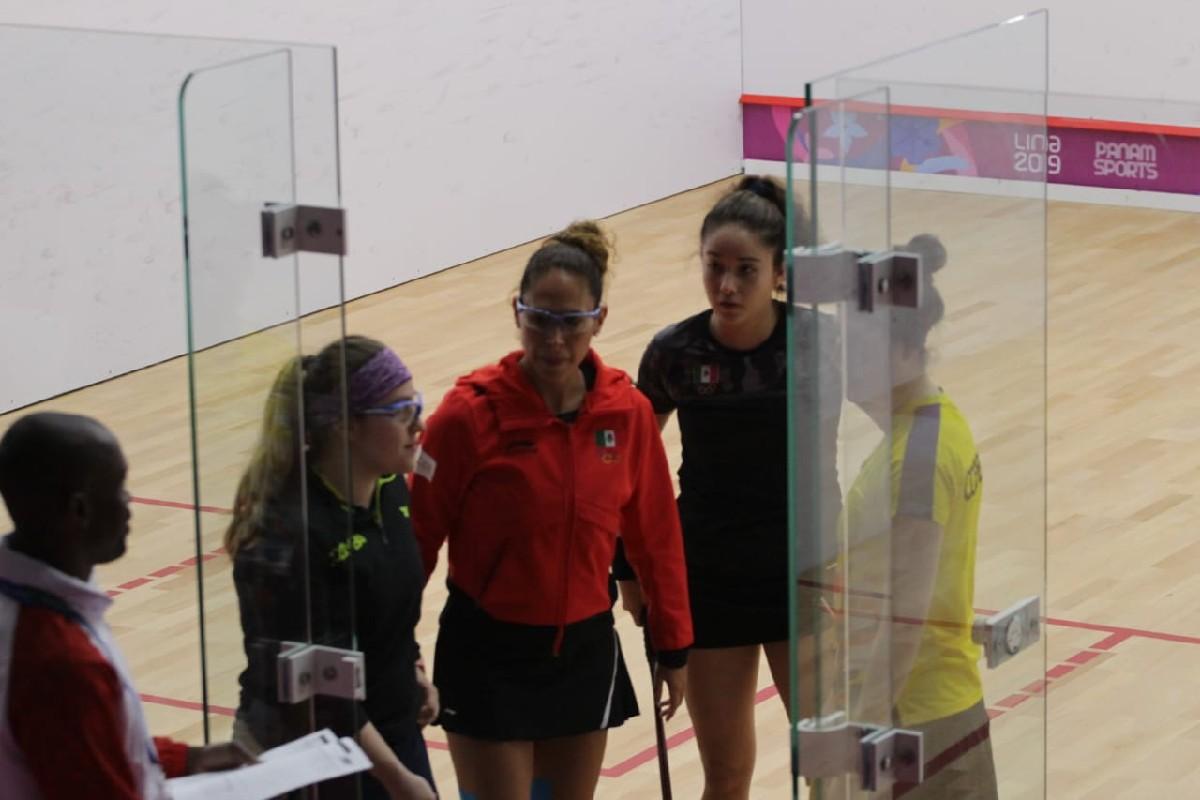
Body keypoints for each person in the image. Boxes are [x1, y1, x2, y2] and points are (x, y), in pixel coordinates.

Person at [411, 220, 693, 800]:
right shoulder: (465, 417)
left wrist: (673, 643)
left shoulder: (627, 414)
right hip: (486, 654)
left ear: (599, 319)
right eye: (539, 319)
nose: (554, 340)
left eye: (571, 322)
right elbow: (414, 541)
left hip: (582, 654)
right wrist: (393, 650)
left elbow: (655, 537)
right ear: (517, 312)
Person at [622, 175, 841, 799]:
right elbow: (628, 470)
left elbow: (881, 432)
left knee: (829, 767)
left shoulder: (819, 342)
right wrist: (630, 574)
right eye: (715, 267)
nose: (726, 285)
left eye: (746, 270)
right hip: (708, 578)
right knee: (726, 773)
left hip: (802, 576)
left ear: (779, 271)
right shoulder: (673, 353)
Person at [225, 336, 437, 800]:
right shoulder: (289, 533)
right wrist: (396, 778)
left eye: (415, 406)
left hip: (389, 736)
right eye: (401, 412)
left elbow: (390, 604)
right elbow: (321, 688)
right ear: (346, 426)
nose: (419, 425)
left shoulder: (391, 490)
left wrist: (413, 667)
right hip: (309, 752)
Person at [0, 412, 253, 798]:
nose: (130, 502)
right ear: (79, 510)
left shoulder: (25, 605)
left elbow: (73, 749)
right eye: (118, 488)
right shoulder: (61, 661)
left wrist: (183, 760)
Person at [842, 234, 998, 799]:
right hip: (934, 711)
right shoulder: (933, 424)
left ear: (903, 349)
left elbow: (905, 618)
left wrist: (863, 744)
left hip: (914, 720)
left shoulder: (917, 458)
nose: (843, 360)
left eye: (857, 345)